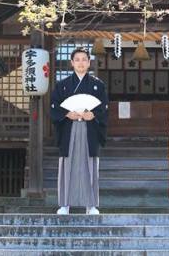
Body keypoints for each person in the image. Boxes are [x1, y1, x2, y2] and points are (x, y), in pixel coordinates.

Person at [49, 47, 108, 215]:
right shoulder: (62, 85)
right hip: (69, 128)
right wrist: (67, 113)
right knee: (67, 165)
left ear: (89, 63)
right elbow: (54, 106)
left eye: (84, 59)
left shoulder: (98, 85)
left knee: (90, 165)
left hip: (90, 129)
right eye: (77, 60)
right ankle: (65, 204)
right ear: (72, 63)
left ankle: (91, 205)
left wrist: (93, 114)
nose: (81, 63)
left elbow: (104, 107)